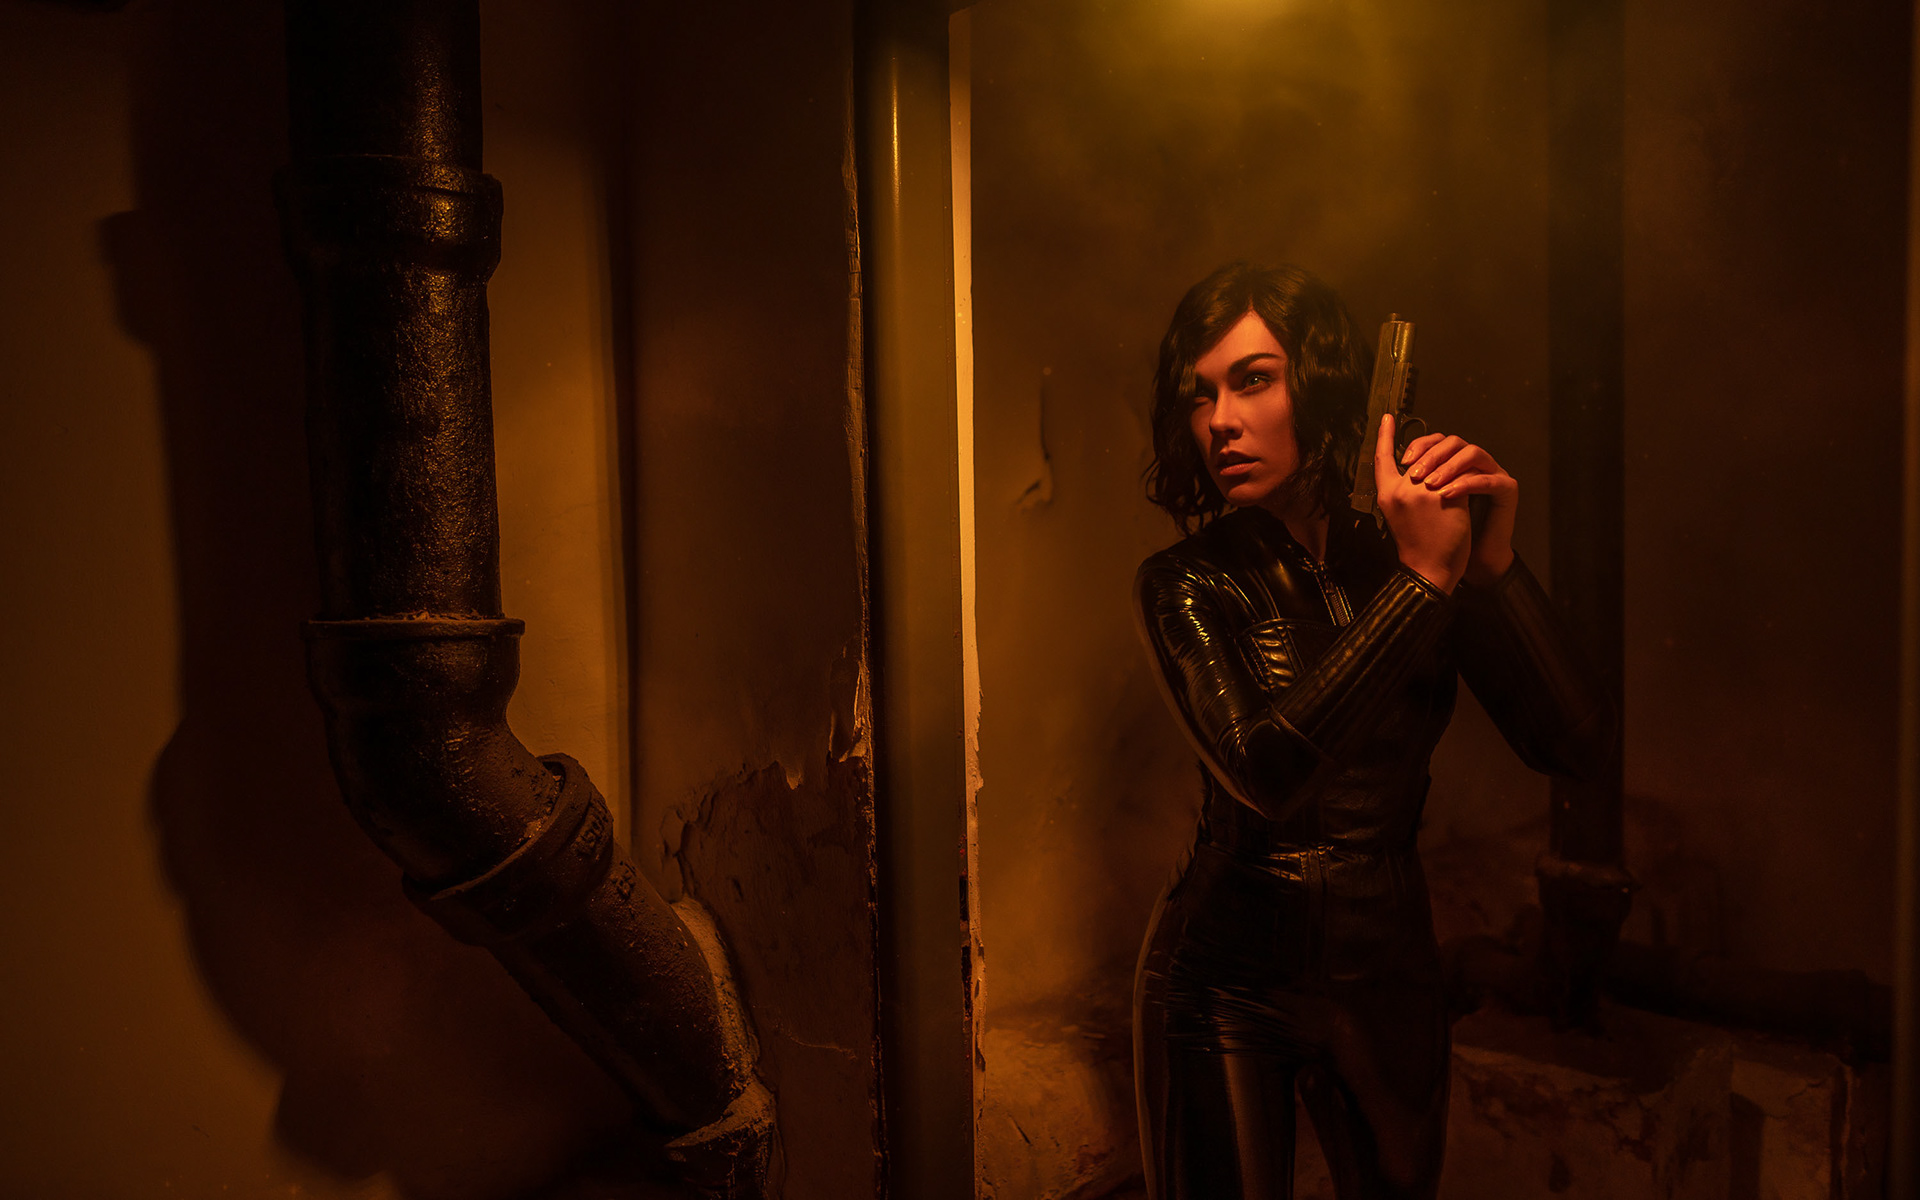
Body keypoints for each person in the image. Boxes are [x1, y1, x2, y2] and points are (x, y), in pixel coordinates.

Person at [1131, 262, 1613, 1200]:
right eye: (1200, 395)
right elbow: (1267, 771)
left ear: (1321, 386)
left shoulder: (1410, 549)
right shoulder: (1186, 582)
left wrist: (1495, 567)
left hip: (1388, 972)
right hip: (1225, 978)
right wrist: (1423, 583)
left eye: (1253, 380)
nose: (1221, 420)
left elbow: (1578, 749)